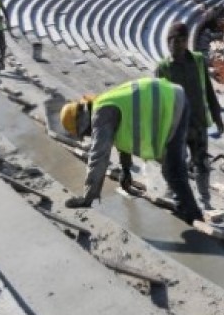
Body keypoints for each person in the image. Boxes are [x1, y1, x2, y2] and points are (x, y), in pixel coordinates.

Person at [59, 77, 205, 225]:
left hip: (170, 104)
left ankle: (193, 215)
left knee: (172, 169)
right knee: (171, 168)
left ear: (81, 121)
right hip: (170, 99)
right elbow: (123, 135)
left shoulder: (101, 113)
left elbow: (99, 155)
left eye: (85, 133)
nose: (88, 135)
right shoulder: (103, 105)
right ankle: (184, 207)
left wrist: (88, 197)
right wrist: (126, 169)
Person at [156, 22, 224, 209]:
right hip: (176, 127)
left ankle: (205, 201)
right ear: (167, 42)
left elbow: (209, 90)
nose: (177, 44)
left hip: (198, 123)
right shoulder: (163, 68)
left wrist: (217, 115)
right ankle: (173, 192)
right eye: (173, 40)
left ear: (187, 41)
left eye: (181, 40)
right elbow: (159, 102)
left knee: (201, 163)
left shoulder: (198, 61)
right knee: (175, 163)